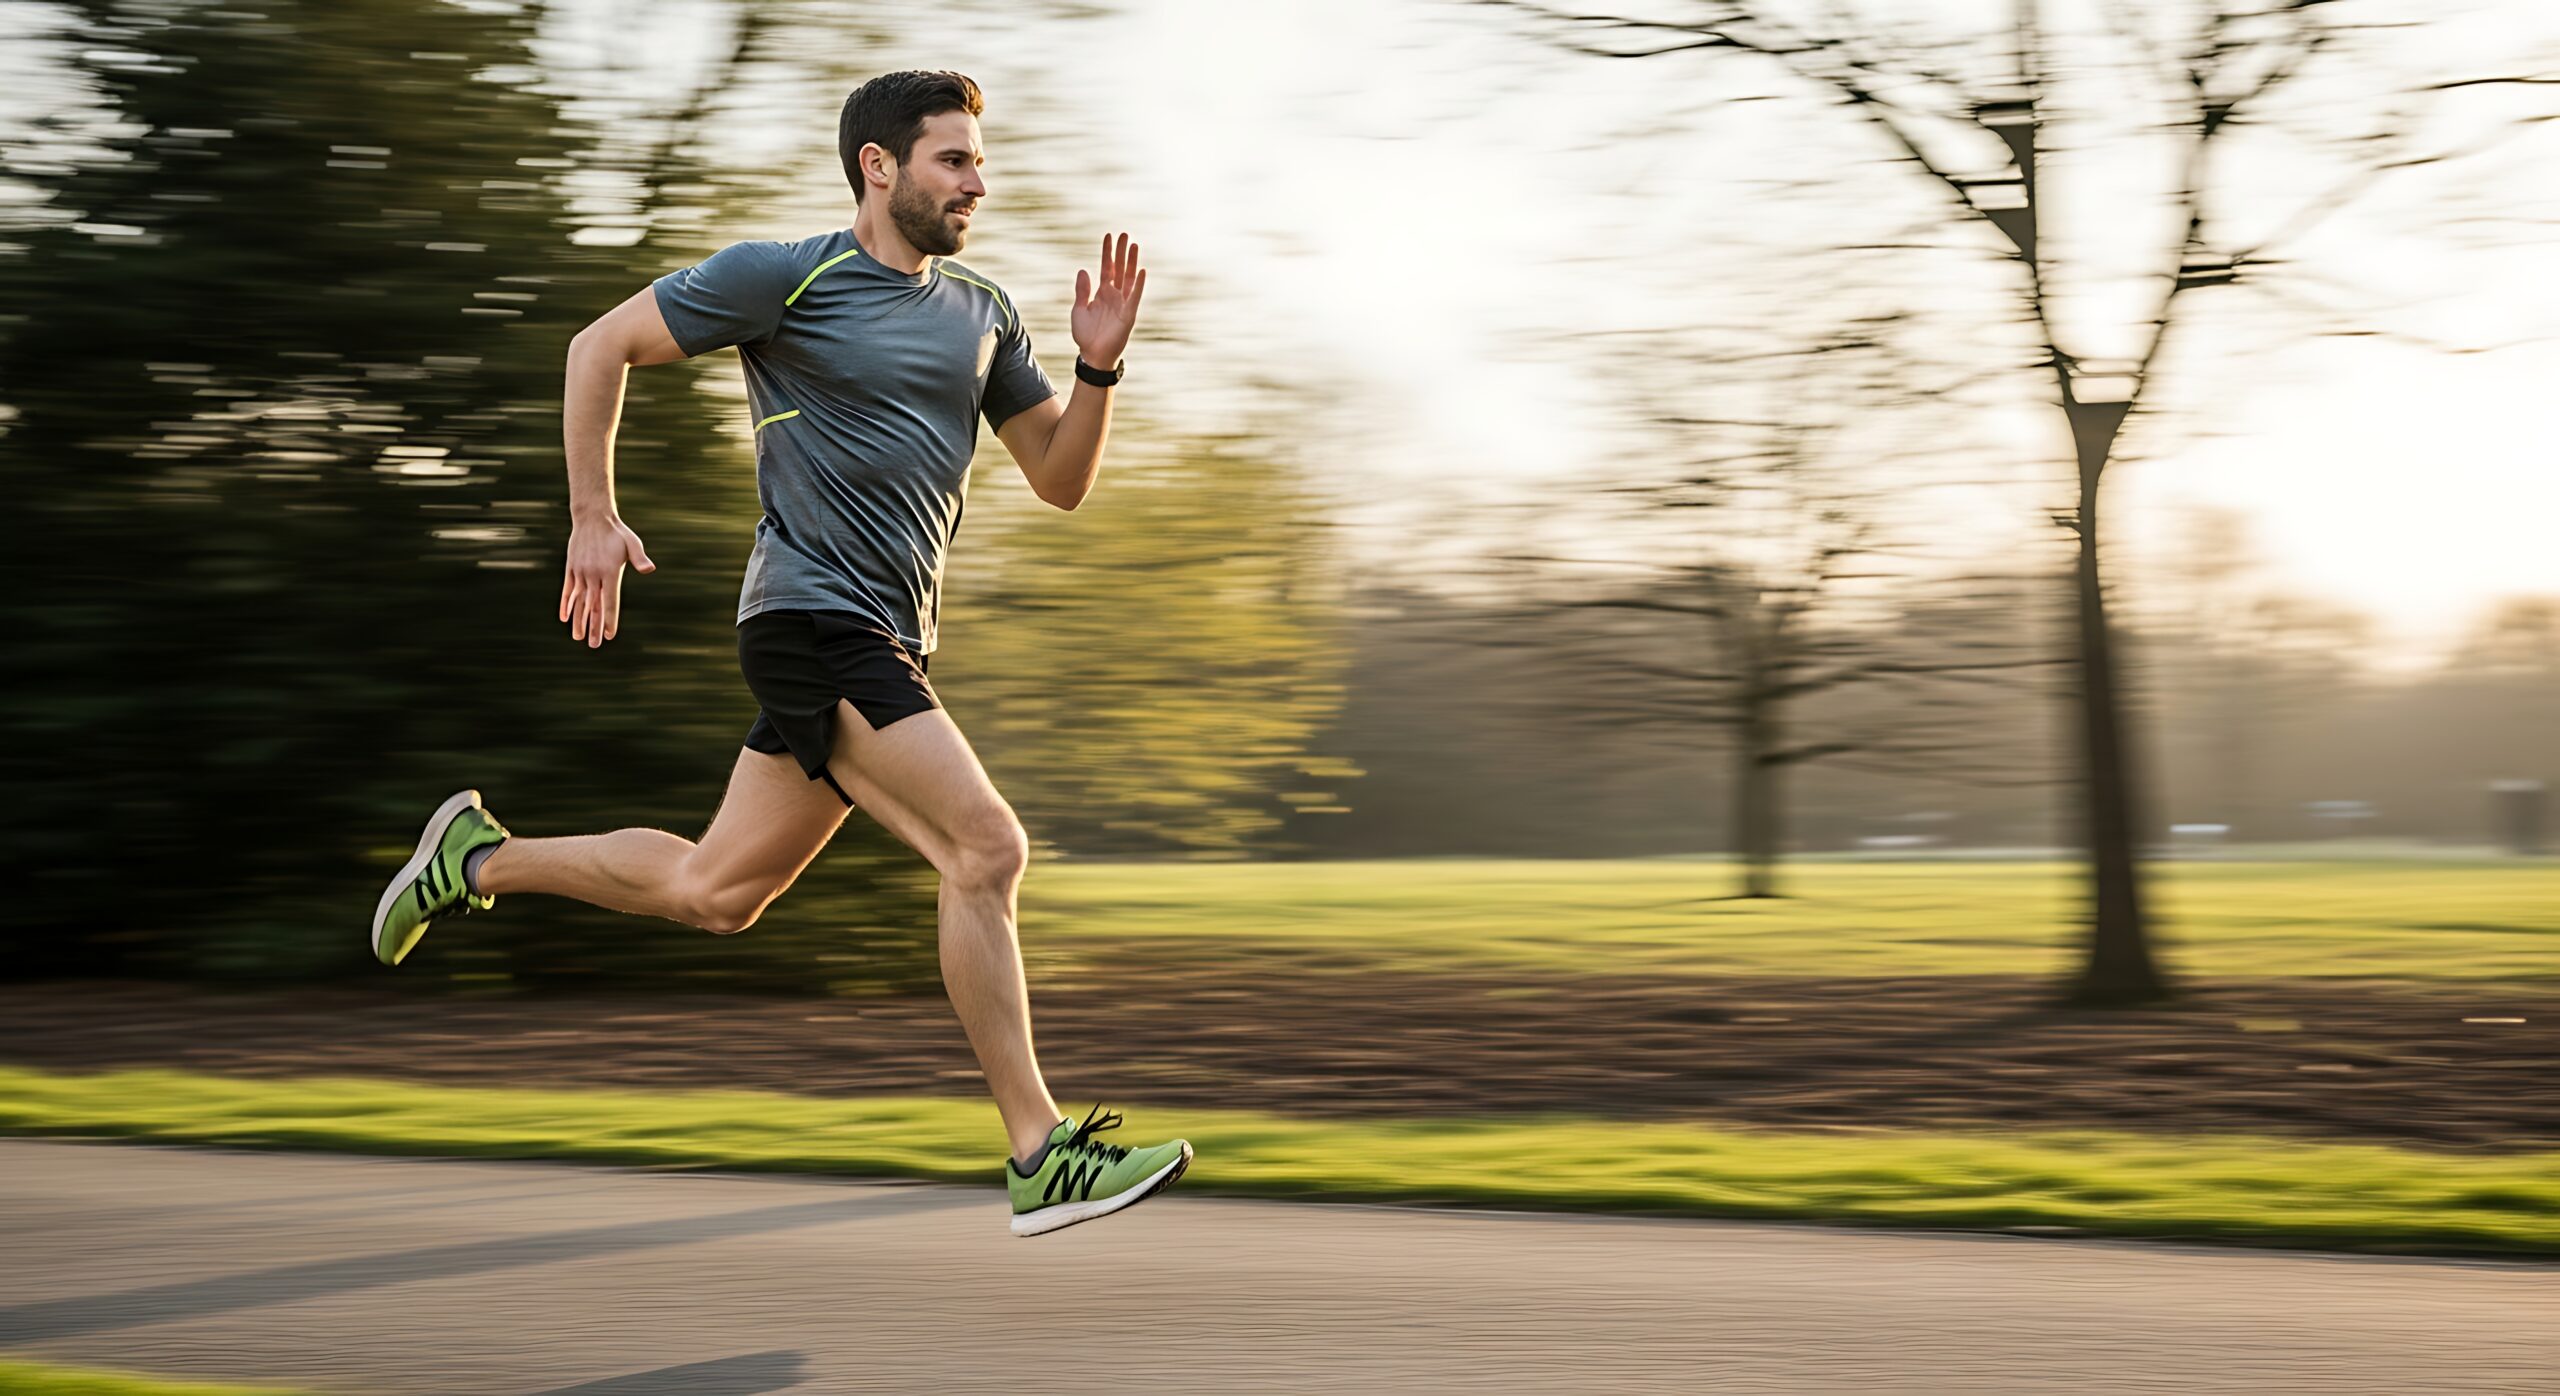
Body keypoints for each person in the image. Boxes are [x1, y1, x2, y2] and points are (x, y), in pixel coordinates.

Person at [367, 70, 1187, 1238]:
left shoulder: (986, 312)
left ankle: (474, 860)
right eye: (950, 159)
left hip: (886, 633)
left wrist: (1098, 367)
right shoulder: (784, 276)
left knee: (718, 892)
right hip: (811, 621)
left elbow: (1058, 481)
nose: (975, 180)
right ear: (878, 167)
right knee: (985, 847)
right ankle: (1038, 1152)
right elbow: (597, 347)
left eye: (976, 161)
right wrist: (593, 513)